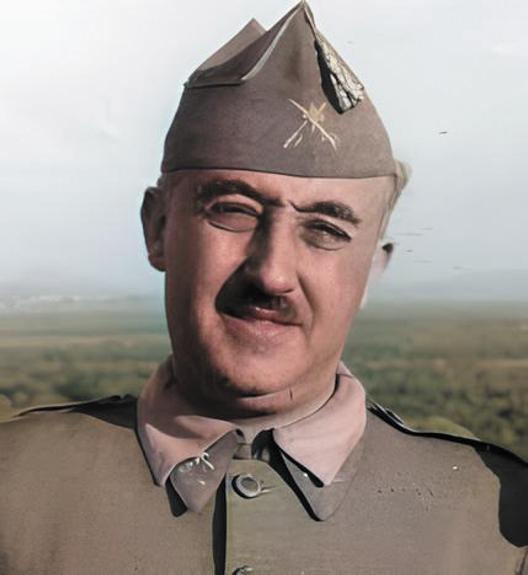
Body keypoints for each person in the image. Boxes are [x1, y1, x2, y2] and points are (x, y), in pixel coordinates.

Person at [0, 2, 526, 574]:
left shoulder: (497, 527)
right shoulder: (13, 486)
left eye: (325, 230)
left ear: (372, 271)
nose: (272, 274)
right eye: (233, 210)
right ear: (158, 229)